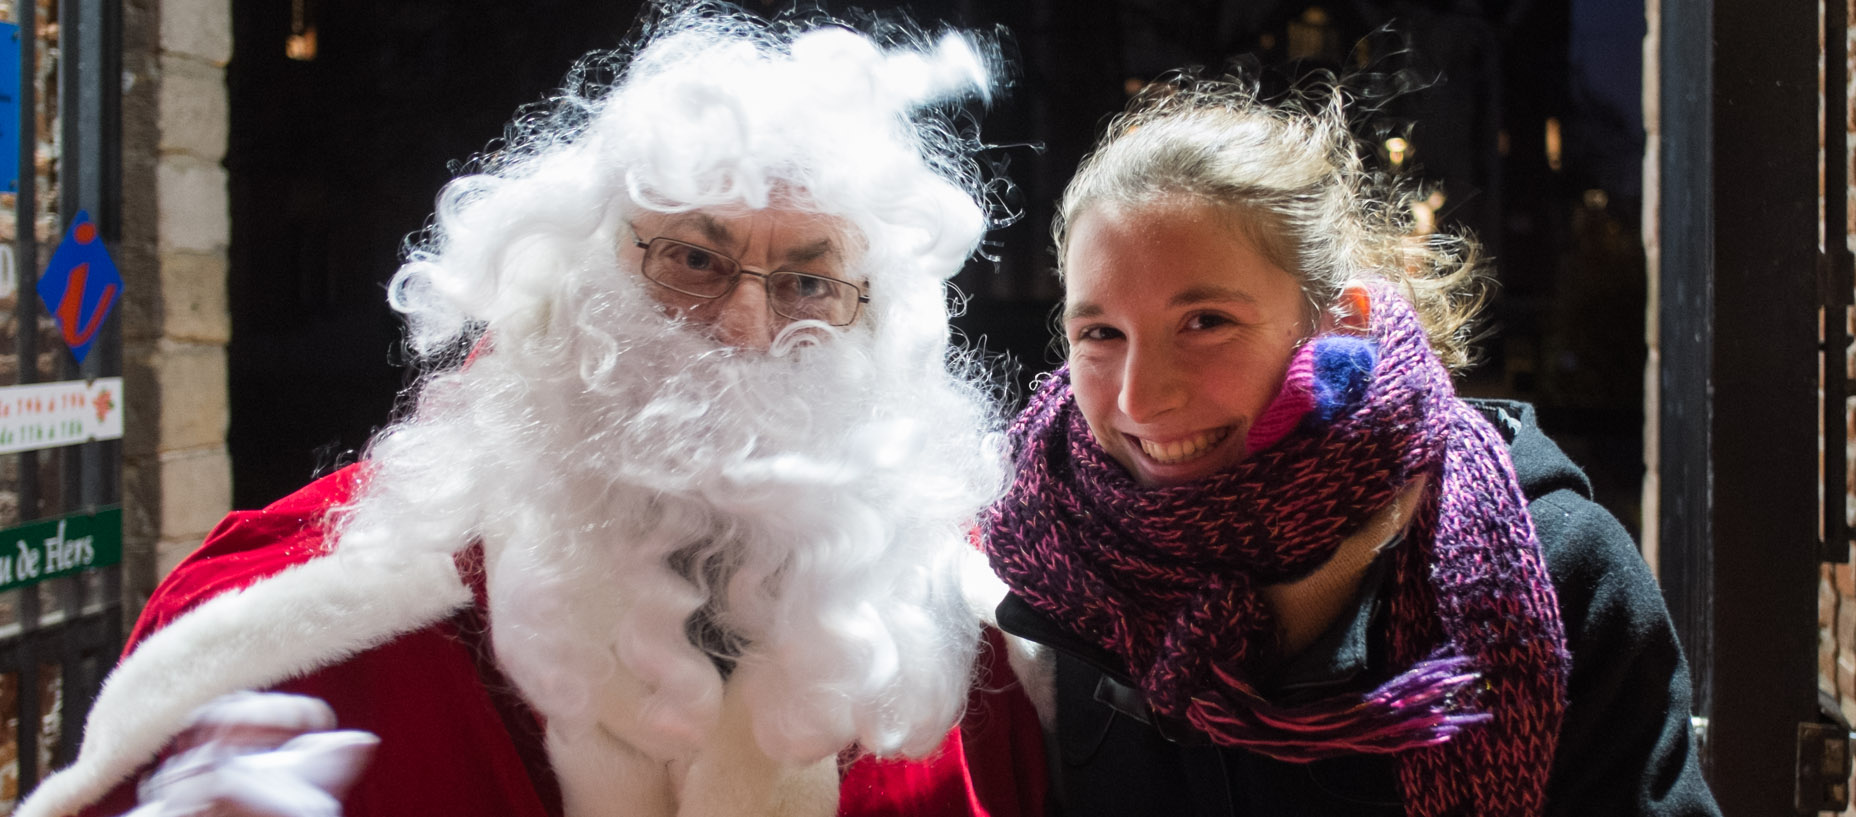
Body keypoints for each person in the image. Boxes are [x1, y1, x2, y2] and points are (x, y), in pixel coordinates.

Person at [19, 7, 1013, 817]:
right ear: (581, 279)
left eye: (808, 281)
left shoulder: (931, 632)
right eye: (695, 261)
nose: (747, 325)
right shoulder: (303, 632)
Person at [963, 78, 1725, 816]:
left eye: (1206, 322)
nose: (1139, 397)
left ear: (1339, 323)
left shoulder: (1554, 565)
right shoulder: (1059, 568)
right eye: (1100, 333)